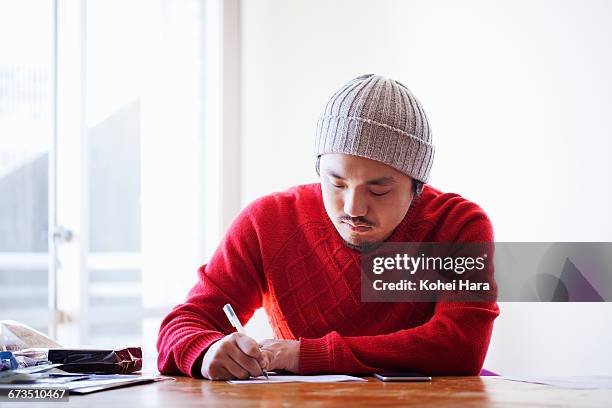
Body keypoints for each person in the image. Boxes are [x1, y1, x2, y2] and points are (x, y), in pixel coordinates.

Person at [157, 74, 499, 380]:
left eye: (379, 190)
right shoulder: (266, 221)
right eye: (336, 183)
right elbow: (181, 325)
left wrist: (309, 355)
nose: (353, 208)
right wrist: (205, 351)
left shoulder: (459, 225)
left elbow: (460, 345)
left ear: (417, 185)